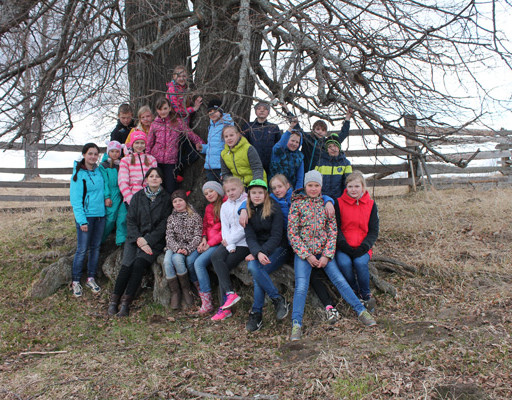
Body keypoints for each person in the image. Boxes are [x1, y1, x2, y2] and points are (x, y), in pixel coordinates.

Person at [241, 174, 342, 324]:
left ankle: (259, 310)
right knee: (256, 271)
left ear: (288, 185)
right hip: (288, 246)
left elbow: (315, 196)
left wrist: (328, 200)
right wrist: (243, 209)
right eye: (274, 188)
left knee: (260, 272)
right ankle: (269, 304)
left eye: (280, 187)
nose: (277, 190)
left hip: (292, 246)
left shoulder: (295, 199)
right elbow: (249, 235)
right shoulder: (266, 202)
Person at [288, 170, 376, 341]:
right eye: (310, 185)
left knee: (339, 280)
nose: (313, 189)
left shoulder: (326, 204)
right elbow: (293, 233)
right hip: (304, 254)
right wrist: (307, 255)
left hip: (324, 253)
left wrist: (327, 255)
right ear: (305, 186)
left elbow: (332, 230)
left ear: (321, 186)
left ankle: (361, 311)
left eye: (316, 185)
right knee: (301, 286)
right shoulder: (297, 205)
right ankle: (296, 324)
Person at [107, 167, 172, 317]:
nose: (154, 179)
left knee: (138, 265)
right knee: (126, 267)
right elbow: (130, 220)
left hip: (154, 242)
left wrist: (147, 240)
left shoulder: (166, 199)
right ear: (146, 180)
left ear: (161, 180)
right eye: (151, 176)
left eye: (157, 176)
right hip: (134, 239)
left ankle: (126, 303)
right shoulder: (138, 197)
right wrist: (138, 239)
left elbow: (164, 224)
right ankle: (113, 301)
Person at [243, 179, 289, 332]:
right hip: (260, 250)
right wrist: (257, 252)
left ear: (265, 194)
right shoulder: (248, 210)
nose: (257, 196)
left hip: (279, 248)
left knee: (257, 271)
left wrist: (262, 252)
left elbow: (276, 236)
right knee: (254, 268)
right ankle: (277, 299)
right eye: (254, 193)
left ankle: (256, 313)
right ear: (249, 194)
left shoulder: (273, 208)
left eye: (260, 193)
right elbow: (250, 237)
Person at [335, 171, 379, 313]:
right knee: (344, 263)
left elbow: (373, 231)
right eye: (350, 186)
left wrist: (364, 247)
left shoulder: (371, 204)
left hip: (363, 246)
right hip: (344, 245)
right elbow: (336, 228)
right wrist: (344, 246)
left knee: (360, 263)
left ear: (363, 187)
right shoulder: (339, 203)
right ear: (346, 187)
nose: (353, 190)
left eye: (356, 186)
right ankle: (354, 290)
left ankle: (366, 295)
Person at [210, 177, 249, 321]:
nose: (231, 193)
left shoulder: (247, 203)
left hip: (244, 243)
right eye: (228, 191)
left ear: (241, 189)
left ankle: (224, 308)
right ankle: (230, 293)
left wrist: (231, 242)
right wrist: (230, 244)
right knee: (215, 257)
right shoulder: (225, 206)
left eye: (233, 189)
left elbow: (245, 228)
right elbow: (225, 226)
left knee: (223, 268)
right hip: (229, 242)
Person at [146, 97, 204, 194]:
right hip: (156, 160)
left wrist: (201, 143)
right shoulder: (155, 124)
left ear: (169, 108)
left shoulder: (177, 122)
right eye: (160, 109)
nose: (163, 111)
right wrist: (147, 157)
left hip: (171, 161)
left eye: (165, 108)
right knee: (157, 187)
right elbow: (149, 142)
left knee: (170, 187)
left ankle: (170, 207)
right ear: (157, 110)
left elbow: (189, 133)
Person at [69, 143, 105, 297]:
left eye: (96, 154)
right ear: (84, 154)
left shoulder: (99, 171)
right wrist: (82, 221)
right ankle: (75, 281)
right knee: (82, 249)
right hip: (86, 217)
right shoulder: (78, 175)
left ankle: (91, 277)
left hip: (100, 215)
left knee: (95, 247)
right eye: (90, 153)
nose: (93, 157)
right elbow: (76, 200)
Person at [163, 189, 203, 310]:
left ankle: (186, 289)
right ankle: (175, 291)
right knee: (166, 262)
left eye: (180, 200)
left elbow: (198, 236)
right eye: (175, 201)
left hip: (187, 247)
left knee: (177, 260)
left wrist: (187, 249)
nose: (178, 203)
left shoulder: (195, 216)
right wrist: (176, 247)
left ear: (185, 201)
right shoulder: (171, 218)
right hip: (173, 246)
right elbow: (169, 236)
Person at [194, 181, 227, 315]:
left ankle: (207, 301)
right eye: (206, 193)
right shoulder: (208, 208)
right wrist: (203, 239)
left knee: (199, 263)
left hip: (220, 243)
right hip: (209, 242)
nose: (209, 195)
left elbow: (224, 230)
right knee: (191, 261)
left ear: (218, 191)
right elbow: (206, 226)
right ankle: (199, 292)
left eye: (211, 191)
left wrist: (210, 244)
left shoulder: (225, 205)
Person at [302, 108, 353, 172]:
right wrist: (288, 112)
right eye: (318, 129)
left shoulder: (328, 143)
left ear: (326, 132)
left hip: (320, 174)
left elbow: (344, 133)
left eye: (323, 130)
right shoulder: (307, 139)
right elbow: (297, 128)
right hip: (305, 172)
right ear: (313, 130)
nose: (320, 132)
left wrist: (347, 118)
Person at [196, 99, 234, 182]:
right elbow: (214, 145)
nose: (212, 113)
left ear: (220, 111)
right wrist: (203, 148)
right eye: (210, 112)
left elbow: (230, 145)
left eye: (215, 111)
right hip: (210, 166)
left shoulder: (226, 125)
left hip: (222, 166)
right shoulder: (212, 127)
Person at [98, 140, 127, 246]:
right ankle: (99, 240)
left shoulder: (122, 164)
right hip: (111, 192)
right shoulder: (104, 166)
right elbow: (104, 182)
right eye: (112, 151)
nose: (115, 154)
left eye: (117, 151)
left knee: (122, 216)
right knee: (110, 218)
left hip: (122, 192)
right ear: (108, 152)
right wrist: (107, 196)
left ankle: (121, 240)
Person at [118, 131, 157, 206]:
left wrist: (152, 197)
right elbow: (123, 182)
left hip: (148, 197)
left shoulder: (151, 159)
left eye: (142, 143)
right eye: (137, 143)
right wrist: (131, 199)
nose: (140, 145)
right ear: (132, 144)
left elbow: (155, 180)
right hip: (132, 197)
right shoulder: (125, 160)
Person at [242, 101, 281, 174]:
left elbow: (279, 145)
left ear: (268, 112)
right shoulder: (248, 126)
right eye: (259, 108)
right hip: (253, 163)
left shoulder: (273, 127)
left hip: (270, 163)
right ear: (255, 112)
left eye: (265, 109)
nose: (262, 110)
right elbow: (244, 144)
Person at [314, 133, 352, 199]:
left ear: (339, 147)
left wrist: (345, 197)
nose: (332, 149)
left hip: (339, 198)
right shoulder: (320, 163)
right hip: (322, 198)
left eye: (335, 146)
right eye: (330, 147)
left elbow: (348, 182)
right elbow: (315, 180)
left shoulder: (345, 163)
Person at [269, 119, 304, 189]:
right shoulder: (278, 151)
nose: (294, 144)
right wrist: (290, 129)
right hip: (275, 188)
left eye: (297, 142)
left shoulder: (299, 157)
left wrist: (297, 193)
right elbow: (280, 145)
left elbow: (300, 178)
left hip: (290, 190)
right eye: (292, 141)